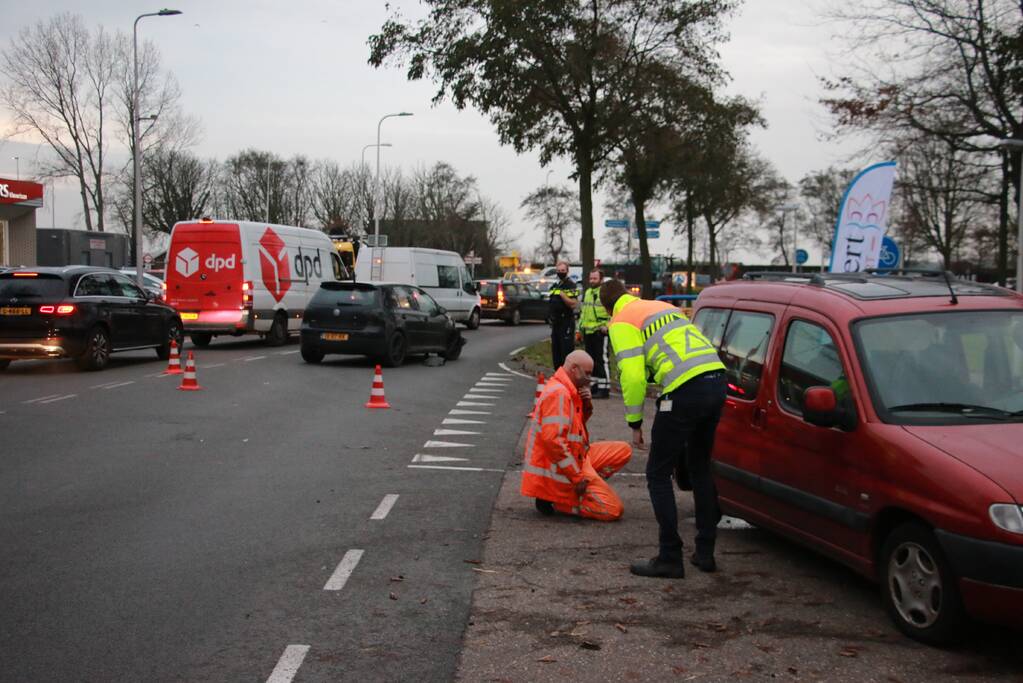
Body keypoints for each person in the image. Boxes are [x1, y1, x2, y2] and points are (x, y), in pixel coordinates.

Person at [599, 278, 727, 578]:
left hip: (684, 390)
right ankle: (705, 552)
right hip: (716, 379)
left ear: (607, 308)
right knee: (699, 467)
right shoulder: (659, 306)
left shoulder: (621, 321)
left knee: (658, 473)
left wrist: (635, 422)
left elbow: (632, 376)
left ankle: (670, 556)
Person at [521, 350, 632, 521]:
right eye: (587, 373)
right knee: (613, 509)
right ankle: (561, 501)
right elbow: (554, 441)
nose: (589, 378)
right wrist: (576, 477)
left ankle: (587, 486)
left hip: (578, 456)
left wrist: (586, 404)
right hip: (564, 467)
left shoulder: (569, 389)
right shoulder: (559, 393)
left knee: (624, 451)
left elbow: (576, 427)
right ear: (574, 369)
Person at [578, 268, 611, 399]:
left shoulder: (605, 294)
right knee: (591, 362)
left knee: (602, 360)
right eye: (590, 278)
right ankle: (595, 386)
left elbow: (613, 312)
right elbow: (584, 312)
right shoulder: (587, 292)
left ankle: (605, 388)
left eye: (594, 279)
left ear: (601, 280)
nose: (592, 281)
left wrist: (607, 326)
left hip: (600, 331)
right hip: (588, 331)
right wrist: (579, 329)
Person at [547, 261, 579, 369]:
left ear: (567, 271)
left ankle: (566, 378)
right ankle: (558, 377)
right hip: (556, 324)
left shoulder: (571, 285)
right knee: (556, 354)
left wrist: (563, 295)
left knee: (565, 353)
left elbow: (574, 304)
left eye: (563, 271)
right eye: (559, 271)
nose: (560, 273)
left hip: (566, 322)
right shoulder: (554, 286)